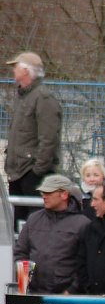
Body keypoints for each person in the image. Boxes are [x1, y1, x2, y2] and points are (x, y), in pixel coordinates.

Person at [5, 51, 61, 227]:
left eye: (16, 67)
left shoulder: (43, 98)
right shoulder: (24, 98)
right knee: (17, 225)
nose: (13, 70)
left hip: (32, 174)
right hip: (18, 173)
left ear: (26, 71)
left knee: (34, 225)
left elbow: (49, 139)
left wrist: (38, 171)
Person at [13, 175, 90, 294]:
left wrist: (72, 290)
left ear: (64, 195)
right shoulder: (33, 219)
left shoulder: (83, 224)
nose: (44, 196)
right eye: (43, 192)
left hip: (67, 297)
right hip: (34, 293)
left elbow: (86, 263)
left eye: (49, 192)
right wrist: (24, 284)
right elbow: (20, 252)